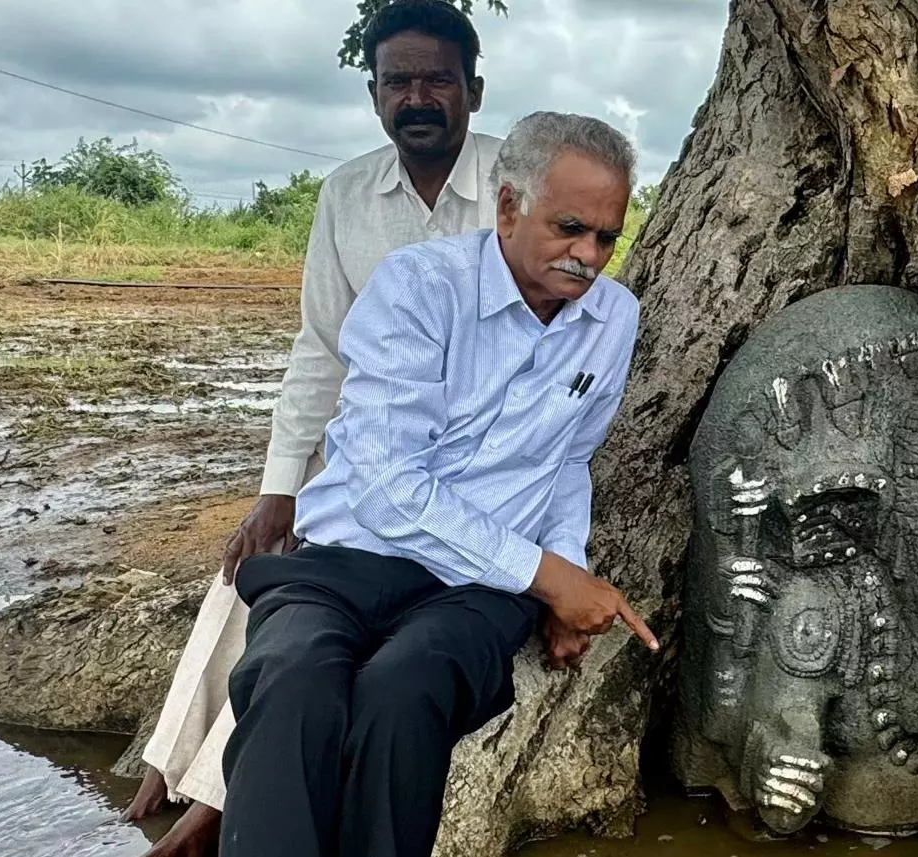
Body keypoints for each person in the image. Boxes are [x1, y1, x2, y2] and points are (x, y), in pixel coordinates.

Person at [122, 2, 519, 853]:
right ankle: (181, 770)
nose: (417, 96)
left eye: (437, 79)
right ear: (374, 95)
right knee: (257, 572)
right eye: (397, 81)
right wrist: (279, 486)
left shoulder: (520, 190)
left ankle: (203, 792)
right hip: (365, 474)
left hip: (474, 485)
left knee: (340, 647)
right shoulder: (347, 195)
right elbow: (321, 351)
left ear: (474, 91)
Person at [219, 108, 655, 857]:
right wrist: (548, 575)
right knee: (291, 681)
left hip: (475, 592)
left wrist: (565, 579)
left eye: (607, 238)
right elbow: (388, 488)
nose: (588, 256)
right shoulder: (420, 288)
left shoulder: (613, 319)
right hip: (346, 560)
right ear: (510, 206)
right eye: (569, 227)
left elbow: (568, 460)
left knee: (405, 690)